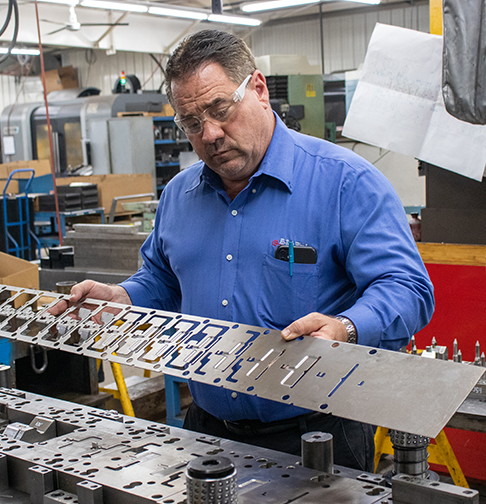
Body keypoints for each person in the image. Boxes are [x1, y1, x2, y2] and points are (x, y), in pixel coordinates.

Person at [54, 29, 434, 472]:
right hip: (206, 431)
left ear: (258, 89)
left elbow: (408, 289)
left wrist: (345, 328)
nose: (210, 134)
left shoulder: (345, 183)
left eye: (220, 110)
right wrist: (125, 297)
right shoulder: (179, 196)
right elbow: (162, 279)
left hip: (318, 436)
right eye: (192, 123)